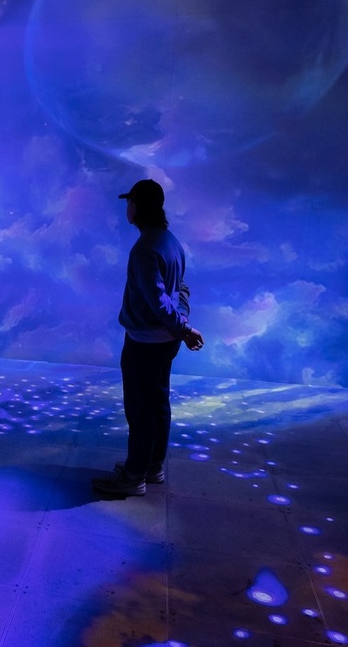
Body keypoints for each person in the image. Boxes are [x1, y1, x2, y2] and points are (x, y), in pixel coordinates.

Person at [92, 178, 204, 498]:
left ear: (139, 207)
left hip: (144, 343)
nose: (127, 208)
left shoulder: (144, 249)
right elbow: (180, 290)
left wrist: (182, 329)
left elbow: (157, 301)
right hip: (164, 342)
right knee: (158, 405)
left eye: (130, 203)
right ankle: (152, 467)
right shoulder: (171, 241)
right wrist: (181, 325)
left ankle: (134, 475)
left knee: (139, 409)